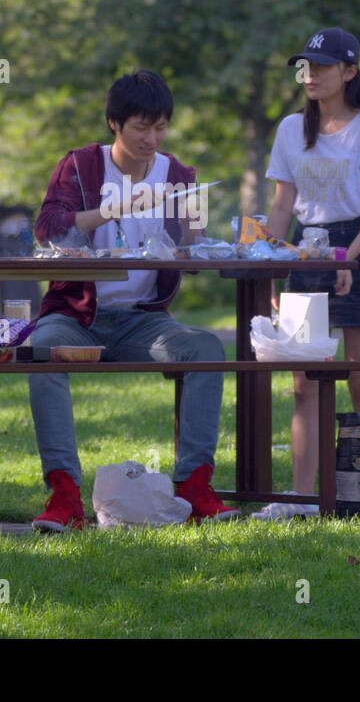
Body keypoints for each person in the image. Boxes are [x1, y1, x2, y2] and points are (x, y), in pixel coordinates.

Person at [27, 69, 241, 530]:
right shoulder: (81, 166)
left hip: (142, 320)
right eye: (141, 127)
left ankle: (194, 489)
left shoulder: (178, 173)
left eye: (160, 127)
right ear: (114, 124)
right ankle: (65, 496)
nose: (151, 138)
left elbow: (191, 251)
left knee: (205, 349)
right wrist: (117, 207)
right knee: (42, 352)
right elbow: (47, 230)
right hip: (77, 315)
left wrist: (193, 227)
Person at [254, 27, 360, 521]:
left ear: (350, 72)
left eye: (320, 66)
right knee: (304, 383)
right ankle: (299, 499)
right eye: (305, 66)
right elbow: (282, 206)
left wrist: (348, 260)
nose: (309, 75)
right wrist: (270, 270)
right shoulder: (290, 130)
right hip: (305, 253)